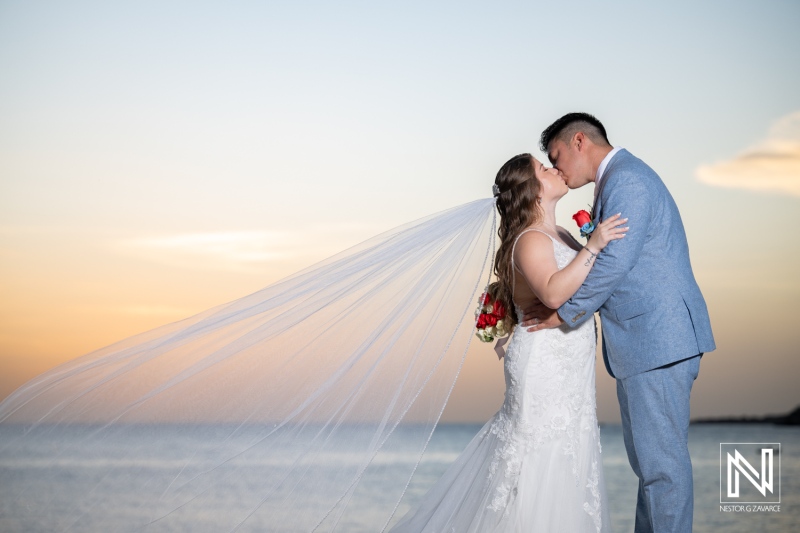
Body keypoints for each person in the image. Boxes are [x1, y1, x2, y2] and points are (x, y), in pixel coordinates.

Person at [390, 153, 627, 532]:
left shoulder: (562, 234)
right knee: (537, 457)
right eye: (543, 168)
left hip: (570, 366)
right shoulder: (529, 239)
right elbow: (553, 293)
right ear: (532, 190)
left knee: (568, 456)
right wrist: (594, 246)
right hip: (544, 364)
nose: (554, 169)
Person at [523, 113, 716, 533]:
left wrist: (564, 314)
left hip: (657, 340)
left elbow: (614, 264)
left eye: (555, 156)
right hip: (651, 342)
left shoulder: (626, 180)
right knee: (652, 468)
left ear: (579, 142)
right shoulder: (619, 179)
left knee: (661, 470)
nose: (556, 168)